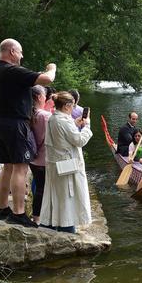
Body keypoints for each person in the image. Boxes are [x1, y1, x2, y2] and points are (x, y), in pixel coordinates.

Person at [0, 38, 56, 228]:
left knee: (7, 167)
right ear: (11, 52)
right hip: (15, 123)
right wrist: (52, 67)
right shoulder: (12, 70)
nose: (22, 55)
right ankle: (18, 213)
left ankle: (3, 208)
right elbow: (47, 79)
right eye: (20, 52)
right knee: (20, 167)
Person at [40, 92, 92, 233]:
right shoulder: (64, 120)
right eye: (73, 106)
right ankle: (67, 227)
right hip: (67, 164)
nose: (74, 109)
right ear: (68, 106)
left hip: (55, 162)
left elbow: (63, 134)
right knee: (68, 196)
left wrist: (75, 124)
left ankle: (50, 224)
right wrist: (87, 127)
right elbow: (79, 141)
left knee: (56, 194)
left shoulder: (53, 117)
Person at [30, 85, 52, 224]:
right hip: (44, 158)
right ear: (39, 97)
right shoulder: (45, 115)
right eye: (44, 95)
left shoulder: (29, 113)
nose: (46, 98)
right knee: (43, 189)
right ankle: (40, 217)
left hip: (33, 158)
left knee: (39, 188)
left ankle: (36, 216)